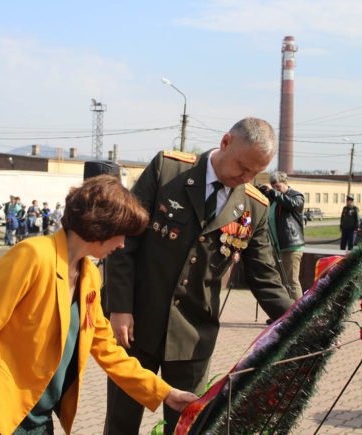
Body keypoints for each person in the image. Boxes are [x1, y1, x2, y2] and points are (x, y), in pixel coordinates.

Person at [0, 175, 197, 435]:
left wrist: (166, 393)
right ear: (102, 227)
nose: (123, 244)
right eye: (122, 234)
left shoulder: (89, 276)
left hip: (38, 416)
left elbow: (108, 351)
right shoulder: (32, 256)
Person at [103, 117, 295, 434]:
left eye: (255, 172)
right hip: (137, 324)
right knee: (121, 423)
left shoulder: (253, 206)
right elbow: (125, 240)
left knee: (186, 427)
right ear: (225, 143)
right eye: (243, 167)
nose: (246, 178)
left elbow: (265, 277)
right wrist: (119, 307)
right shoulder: (168, 171)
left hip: (193, 335)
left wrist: (298, 319)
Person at [264, 171, 305, 299]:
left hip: (291, 246)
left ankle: (299, 314)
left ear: (285, 183)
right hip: (277, 247)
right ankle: (284, 313)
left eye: (278, 186)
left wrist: (272, 192)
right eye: (273, 186)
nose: (276, 190)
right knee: (280, 282)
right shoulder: (275, 200)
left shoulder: (296, 196)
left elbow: (292, 204)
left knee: (291, 282)